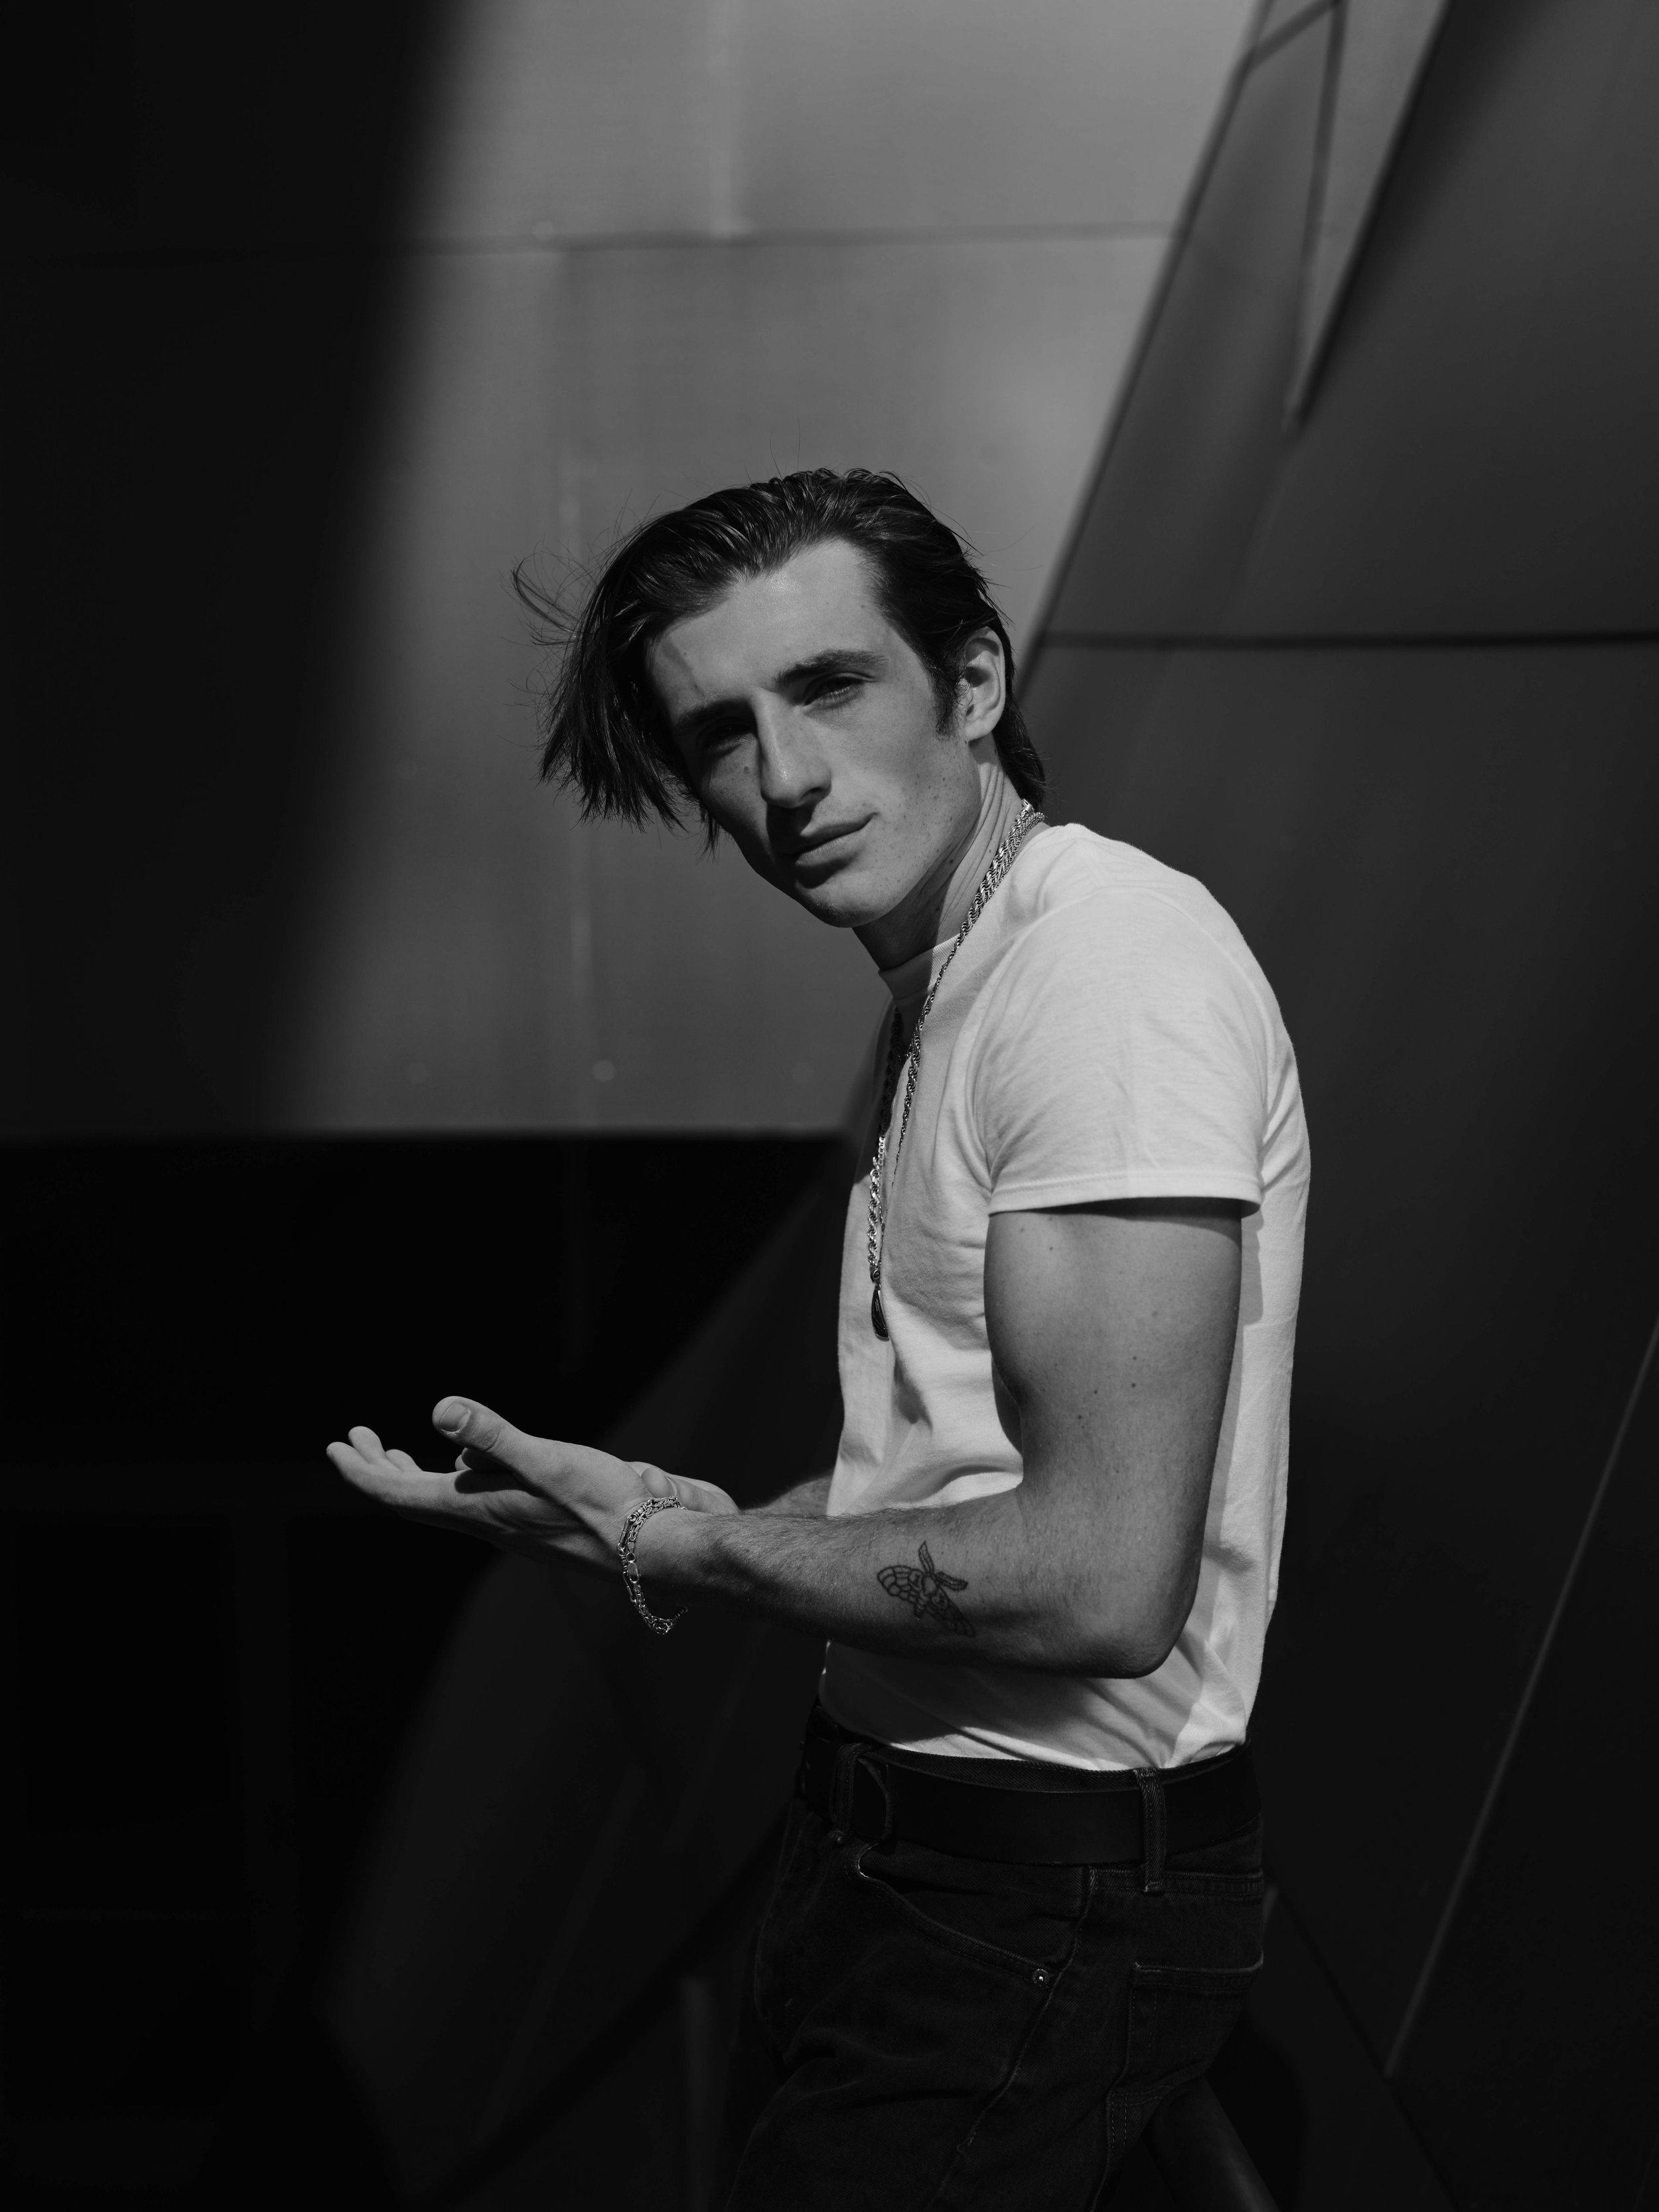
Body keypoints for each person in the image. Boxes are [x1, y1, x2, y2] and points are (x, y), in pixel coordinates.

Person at [328, 469, 1309, 2207]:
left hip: (1027, 1909)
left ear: (976, 684)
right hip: (903, 1863)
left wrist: (692, 1543)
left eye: (829, 687)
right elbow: (965, 1475)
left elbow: (1095, 1579)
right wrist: (672, 1523)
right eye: (718, 734)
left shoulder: (1104, 984)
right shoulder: (968, 985)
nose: (780, 779)